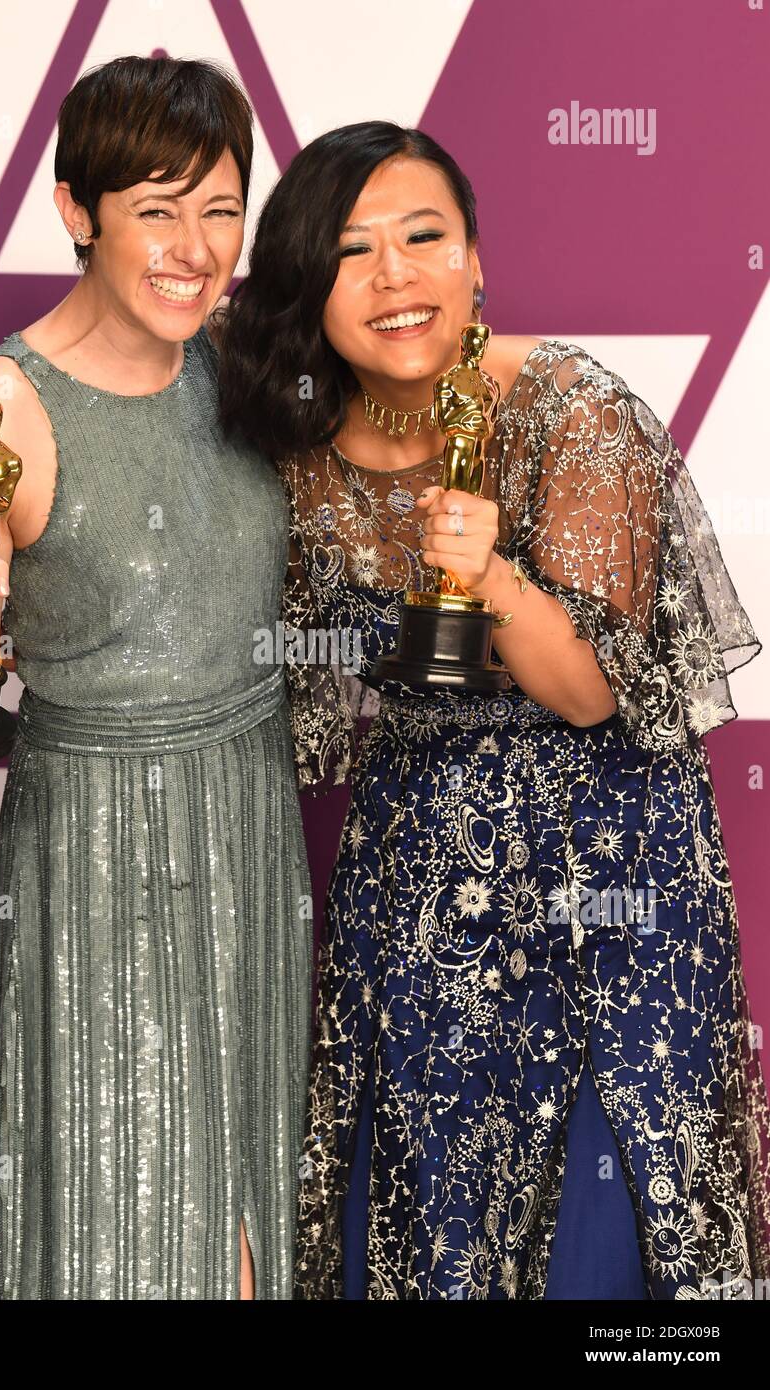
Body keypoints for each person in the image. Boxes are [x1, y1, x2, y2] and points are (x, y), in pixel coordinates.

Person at [218, 121, 770, 1299]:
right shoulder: (301, 446)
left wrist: (500, 575)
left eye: (425, 237)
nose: (394, 275)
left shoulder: (573, 408)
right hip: (417, 887)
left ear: (477, 260)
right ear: (310, 292)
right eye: (352, 252)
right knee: (423, 1216)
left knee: (603, 1229)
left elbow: (587, 690)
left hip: (605, 880)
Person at [0, 55, 312, 1300]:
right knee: (125, 1217)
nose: (197, 247)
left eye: (221, 208)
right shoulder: (1, 417)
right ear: (76, 211)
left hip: (249, 814)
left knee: (252, 1228)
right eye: (156, 208)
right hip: (100, 858)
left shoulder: (231, 361)